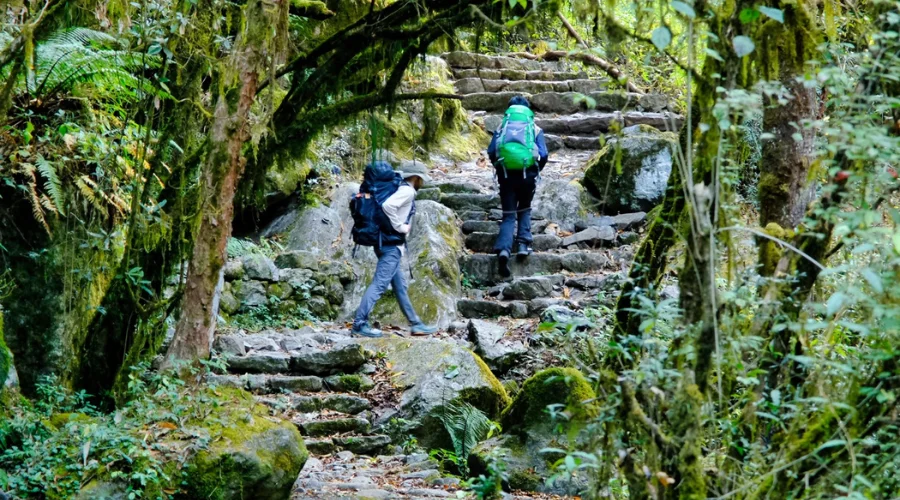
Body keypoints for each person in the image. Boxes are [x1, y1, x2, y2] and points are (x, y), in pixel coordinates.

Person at [351, 161, 439, 338]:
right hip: (391, 246)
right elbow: (387, 206)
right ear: (416, 178)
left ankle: (416, 324)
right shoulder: (407, 191)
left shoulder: (397, 187)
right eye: (422, 179)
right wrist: (400, 226)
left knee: (400, 286)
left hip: (385, 242)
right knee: (379, 284)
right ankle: (359, 324)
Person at [487, 96, 549, 277]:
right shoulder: (534, 128)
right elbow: (543, 154)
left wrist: (501, 168)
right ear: (529, 111)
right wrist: (535, 169)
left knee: (508, 215)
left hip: (506, 176)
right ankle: (523, 244)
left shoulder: (502, 127)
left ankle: (504, 250)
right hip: (527, 174)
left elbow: (492, 151)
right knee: (525, 209)